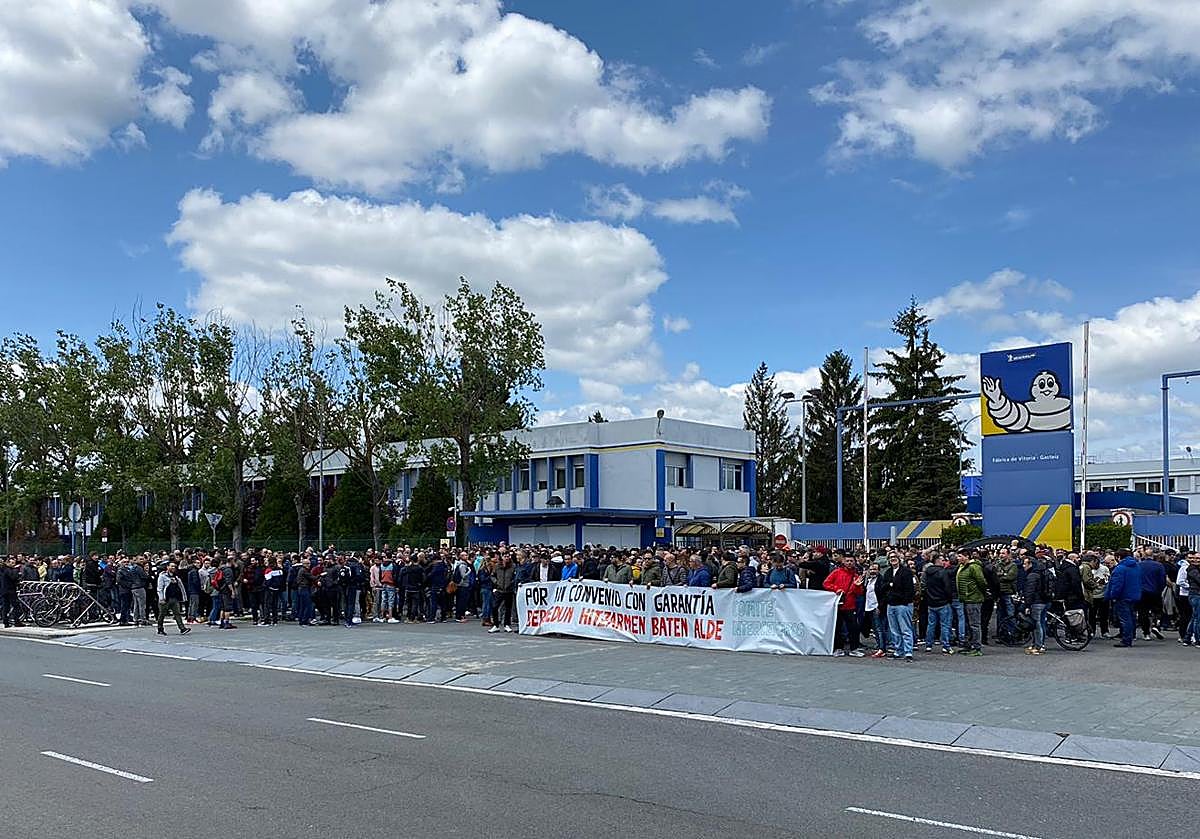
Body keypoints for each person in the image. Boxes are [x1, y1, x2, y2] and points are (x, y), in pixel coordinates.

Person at [824, 554, 865, 657]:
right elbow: (826, 583)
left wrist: (857, 586)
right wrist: (836, 589)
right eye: (847, 561)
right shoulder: (836, 572)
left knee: (853, 628)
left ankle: (854, 648)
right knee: (838, 628)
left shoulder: (856, 576)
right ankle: (838, 648)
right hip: (838, 604)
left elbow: (859, 593)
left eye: (851, 561)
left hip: (850, 605)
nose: (849, 563)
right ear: (843, 562)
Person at [880, 552, 915, 661]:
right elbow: (883, 587)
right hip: (891, 604)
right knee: (894, 630)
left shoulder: (906, 572)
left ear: (899, 559)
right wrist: (890, 586)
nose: (893, 559)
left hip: (903, 605)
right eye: (890, 558)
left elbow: (909, 589)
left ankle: (908, 651)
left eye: (895, 557)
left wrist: (904, 600)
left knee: (905, 629)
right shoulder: (888, 572)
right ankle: (898, 650)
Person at [1104, 553, 1141, 648]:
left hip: (1122, 596)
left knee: (1125, 619)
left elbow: (1117, 585)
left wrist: (1112, 596)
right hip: (1134, 595)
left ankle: (1126, 640)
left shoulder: (1120, 568)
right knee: (1131, 617)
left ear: (1119, 557)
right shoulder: (1136, 566)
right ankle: (1131, 636)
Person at [955, 551, 987, 656]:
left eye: (960, 556)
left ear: (966, 556)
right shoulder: (962, 566)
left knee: (974, 624)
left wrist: (977, 592)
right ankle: (969, 645)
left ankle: (977, 647)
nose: (957, 558)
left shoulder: (974, 567)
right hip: (965, 599)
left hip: (973, 599)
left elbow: (981, 581)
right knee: (969, 624)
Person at [922, 555, 955, 655]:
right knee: (945, 625)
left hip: (931, 602)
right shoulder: (943, 572)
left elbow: (925, 585)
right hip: (943, 602)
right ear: (938, 561)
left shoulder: (927, 572)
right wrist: (949, 599)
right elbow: (947, 587)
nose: (944, 562)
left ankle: (928, 645)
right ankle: (946, 645)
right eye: (943, 560)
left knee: (931, 624)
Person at [1021, 556, 1049, 654]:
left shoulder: (1032, 576)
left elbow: (1030, 591)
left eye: (1025, 563)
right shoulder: (1041, 573)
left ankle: (1038, 646)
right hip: (1043, 600)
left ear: (1030, 564)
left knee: (1036, 624)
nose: (1023, 566)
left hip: (1036, 602)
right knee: (1040, 623)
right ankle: (1037, 644)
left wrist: (1027, 605)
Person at [1137, 552, 1166, 641]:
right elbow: (1162, 580)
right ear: (1153, 556)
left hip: (1142, 592)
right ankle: (1156, 624)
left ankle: (1146, 633)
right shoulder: (1159, 565)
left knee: (1143, 612)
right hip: (1155, 591)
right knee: (1158, 610)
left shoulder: (1139, 565)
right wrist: (1160, 590)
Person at [155, 562, 190, 635]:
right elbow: (160, 588)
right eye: (171, 566)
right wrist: (161, 598)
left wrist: (183, 597)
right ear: (167, 567)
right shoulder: (162, 576)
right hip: (165, 598)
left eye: (174, 566)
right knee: (162, 614)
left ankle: (182, 628)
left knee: (177, 613)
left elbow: (180, 587)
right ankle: (160, 628)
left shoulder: (176, 577)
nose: (173, 568)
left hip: (174, 598)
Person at [489, 555, 516, 633]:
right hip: (499, 590)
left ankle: (506, 624)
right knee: (495, 607)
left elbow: (515, 576)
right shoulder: (497, 566)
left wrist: (511, 583)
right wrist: (496, 582)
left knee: (508, 608)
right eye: (505, 556)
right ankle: (496, 625)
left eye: (508, 556)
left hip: (509, 590)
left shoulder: (513, 566)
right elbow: (492, 576)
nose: (506, 558)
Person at [0, 556, 22, 627]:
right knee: (15, 606)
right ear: (8, 563)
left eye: (14, 563)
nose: (13, 564)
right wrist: (16, 569)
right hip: (9, 591)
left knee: (6, 607)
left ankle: (6, 622)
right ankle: (16, 621)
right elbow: (13, 577)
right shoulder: (7, 569)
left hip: (6, 590)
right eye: (12, 563)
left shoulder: (5, 569)